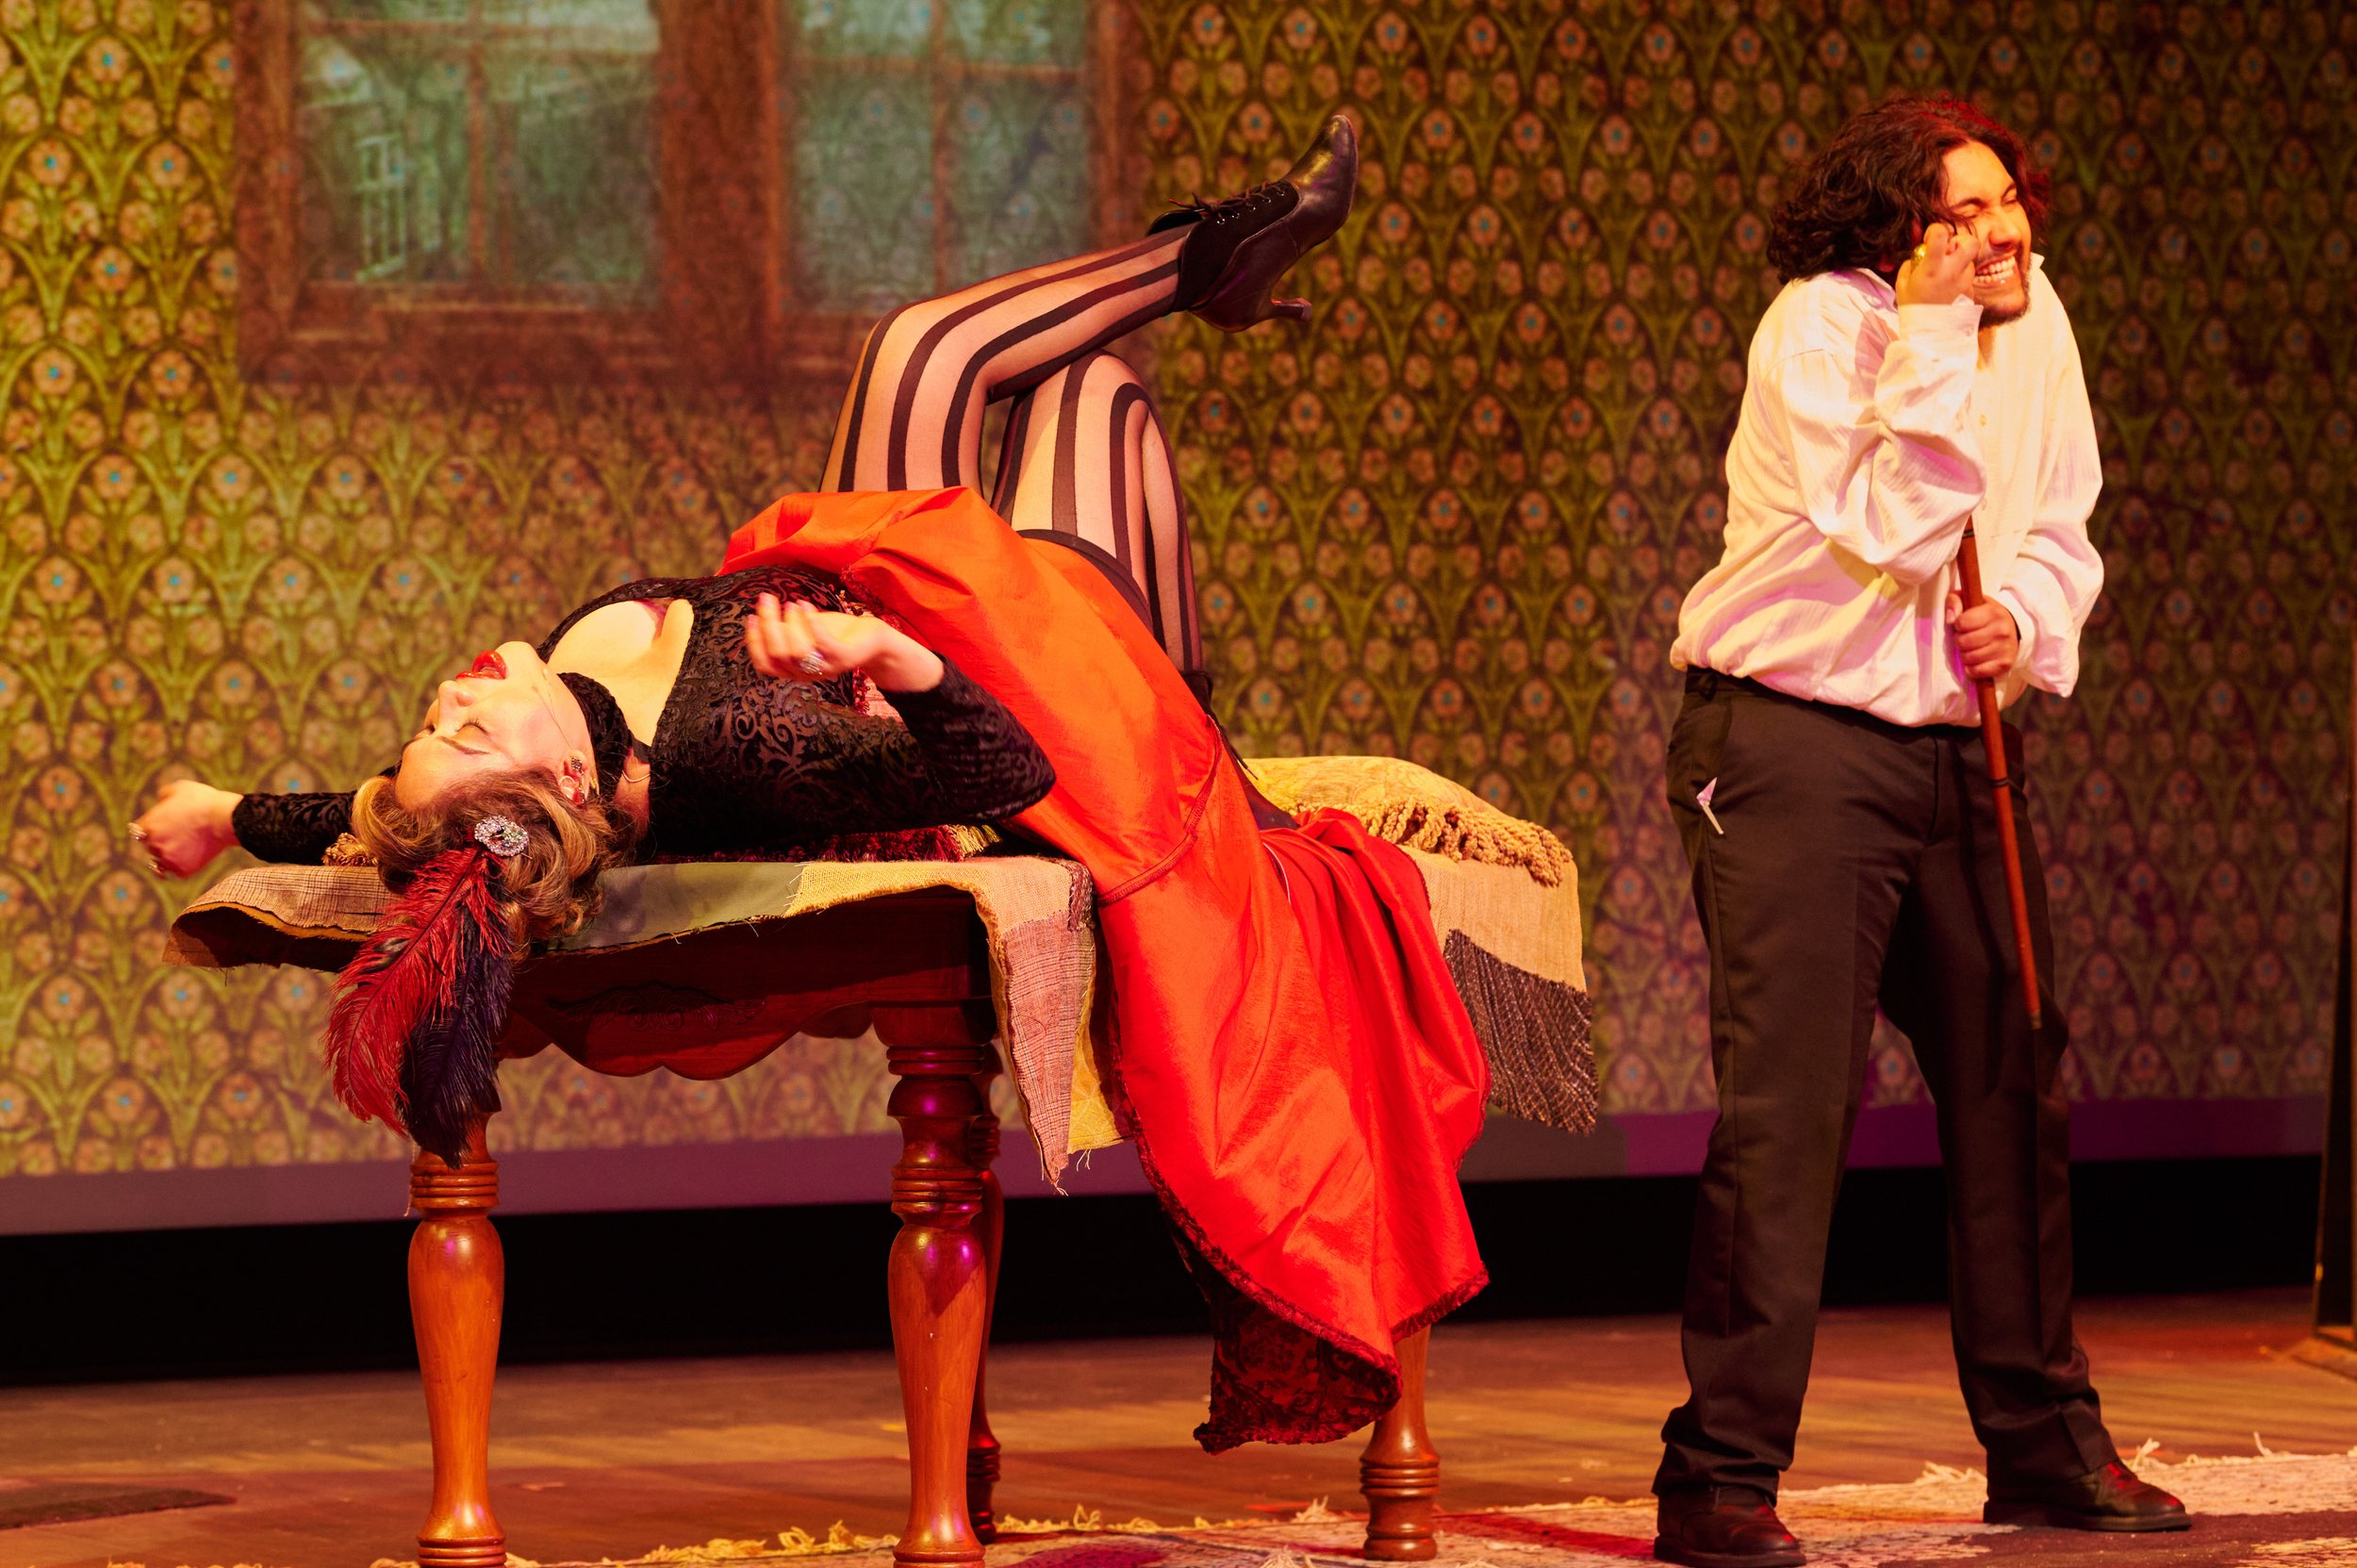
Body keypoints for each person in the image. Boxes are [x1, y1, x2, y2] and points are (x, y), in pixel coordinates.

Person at [135, 118, 1493, 1454]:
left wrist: (221, 816)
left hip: (928, 580)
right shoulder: (742, 759)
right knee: (980, 364)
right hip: (1056, 699)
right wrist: (896, 660)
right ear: (555, 776)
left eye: (437, 712)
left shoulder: (515, 777)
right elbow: (1006, 768)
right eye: (463, 721)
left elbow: (374, 815)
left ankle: (1213, 281)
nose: (457, 686)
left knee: (1047, 382)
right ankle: (1215, 264)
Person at [1651, 95, 2188, 1568]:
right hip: (1795, 746)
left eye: (2008, 199)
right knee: (1792, 1112)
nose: (2003, 231)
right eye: (1962, 213)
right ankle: (1720, 1478)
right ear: (1897, 233)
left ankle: (2042, 1445)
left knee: (2018, 1077)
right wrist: (1936, 336)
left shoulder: (2041, 317)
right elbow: (1891, 526)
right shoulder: (1822, 329)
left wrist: (2029, 616)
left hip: (1962, 751)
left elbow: (2058, 516)